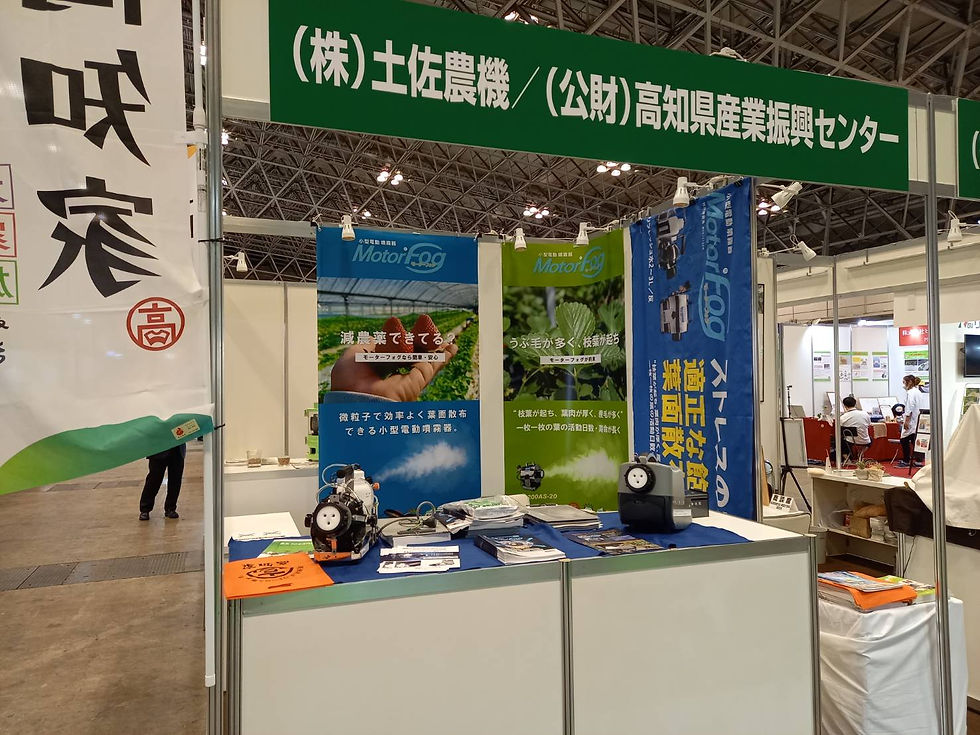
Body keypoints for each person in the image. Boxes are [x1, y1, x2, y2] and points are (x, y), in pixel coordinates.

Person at [139, 443, 186, 520]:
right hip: (158, 448)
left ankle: (170, 508)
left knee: (175, 480)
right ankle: (145, 509)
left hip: (177, 448)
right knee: (153, 480)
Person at [897, 375, 925, 469]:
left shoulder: (910, 393)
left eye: (904, 382)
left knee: (904, 440)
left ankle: (906, 460)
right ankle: (919, 460)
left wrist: (907, 421)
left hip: (911, 419)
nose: (903, 385)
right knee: (915, 439)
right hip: (918, 418)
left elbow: (910, 406)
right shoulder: (918, 392)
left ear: (909, 382)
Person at [839, 395, 872, 461]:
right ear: (855, 404)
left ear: (844, 406)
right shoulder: (865, 414)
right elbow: (869, 424)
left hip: (850, 441)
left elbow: (839, 426)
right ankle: (861, 453)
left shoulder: (843, 417)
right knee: (871, 439)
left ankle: (847, 459)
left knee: (840, 441)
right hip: (865, 440)